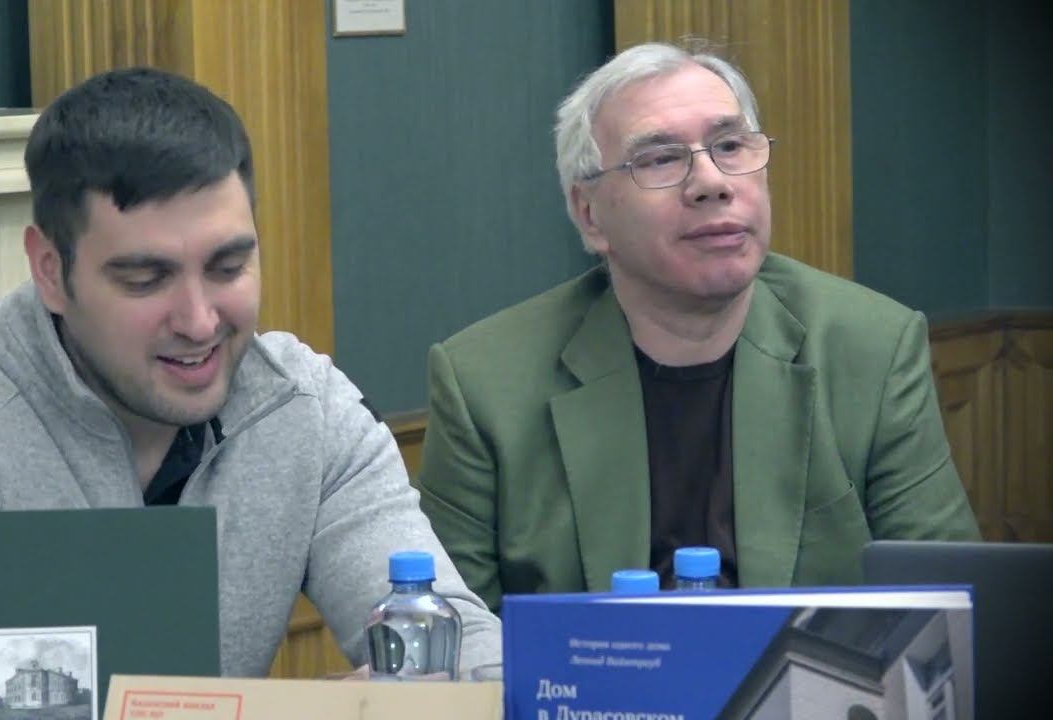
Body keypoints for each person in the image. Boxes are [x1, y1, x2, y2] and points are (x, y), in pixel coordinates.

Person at [0, 67, 500, 716]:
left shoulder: (306, 407)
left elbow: (461, 649)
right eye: (145, 279)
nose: (200, 322)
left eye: (228, 266)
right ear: (51, 271)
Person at [413, 41, 980, 612]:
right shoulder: (485, 384)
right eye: (661, 158)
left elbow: (948, 609)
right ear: (590, 214)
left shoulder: (873, 347)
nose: (711, 181)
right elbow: (457, 635)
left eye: (730, 146)